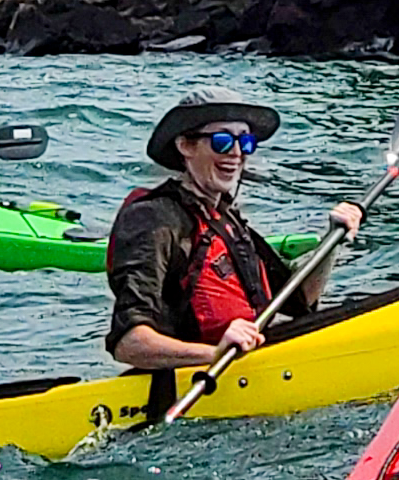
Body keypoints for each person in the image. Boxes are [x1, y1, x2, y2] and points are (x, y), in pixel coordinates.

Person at [105, 85, 364, 374]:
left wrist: (332, 241)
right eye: (222, 141)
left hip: (245, 368)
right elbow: (128, 344)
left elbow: (298, 303)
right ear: (186, 146)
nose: (237, 153)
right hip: (187, 383)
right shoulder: (152, 219)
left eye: (246, 142)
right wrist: (214, 354)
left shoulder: (227, 219)